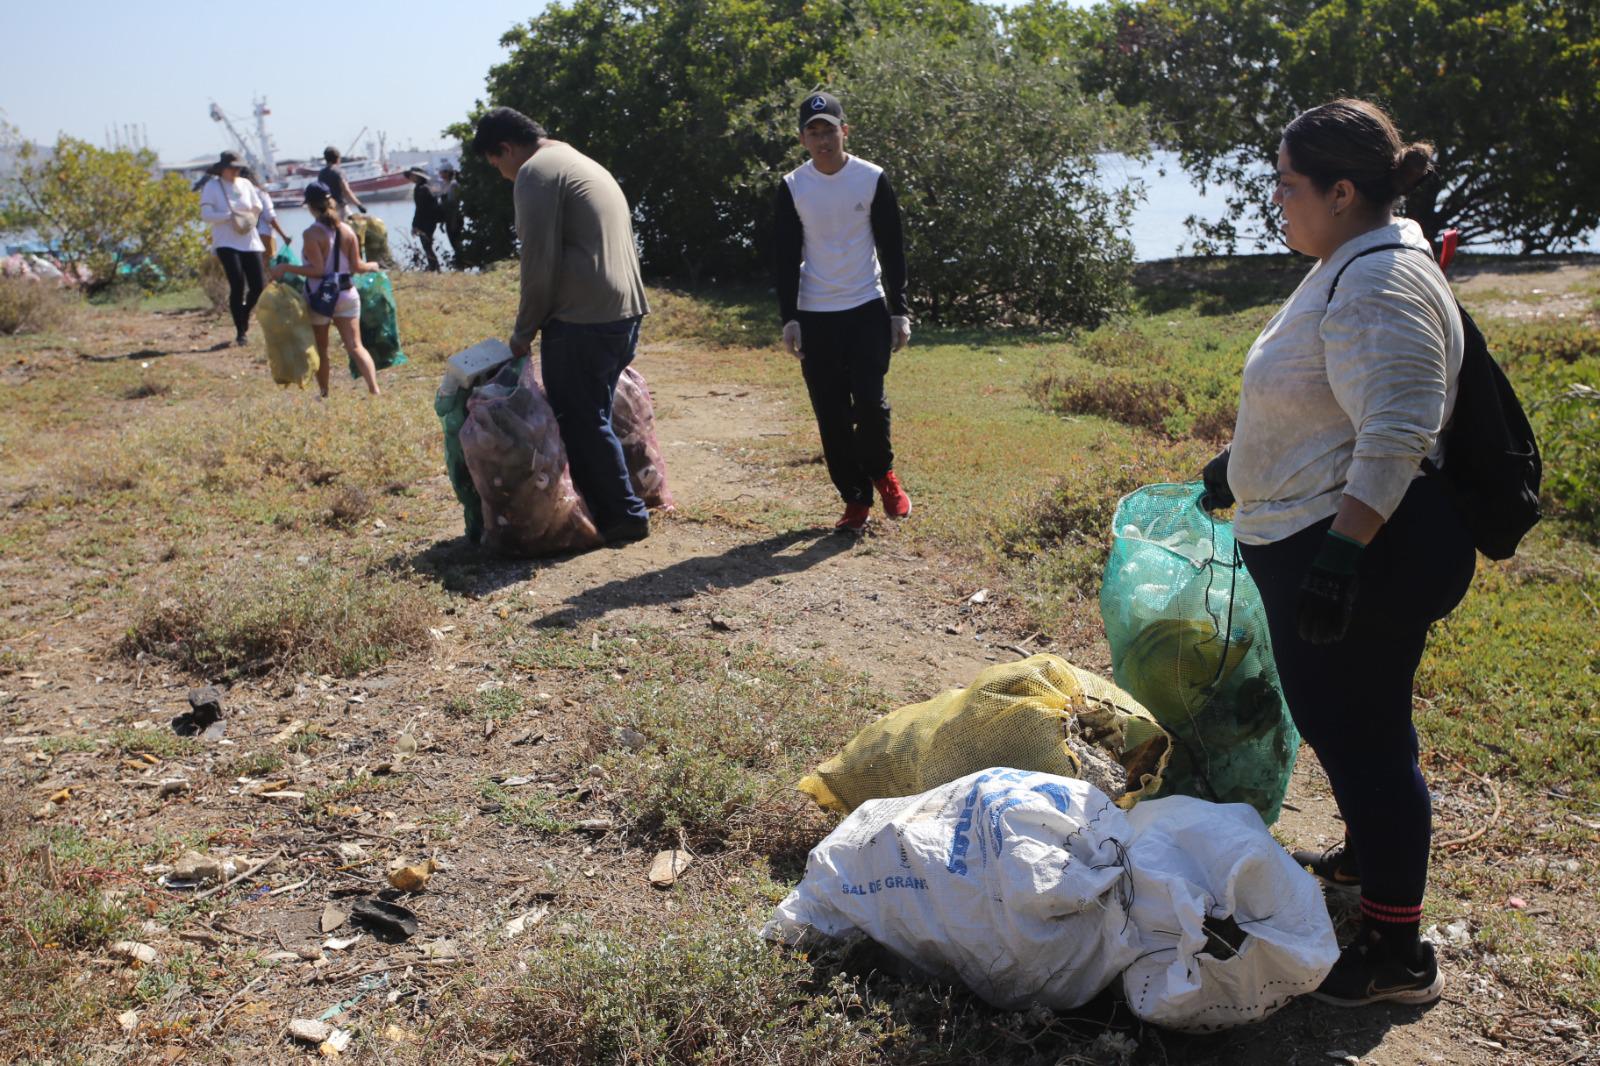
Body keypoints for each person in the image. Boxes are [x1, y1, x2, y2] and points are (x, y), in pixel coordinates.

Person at [1201, 98, 1471, 1008]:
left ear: (1342, 190)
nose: (1277, 200)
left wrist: (1337, 562)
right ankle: (1366, 860)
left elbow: (1395, 431)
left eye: (1287, 184)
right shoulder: (1352, 259)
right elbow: (1326, 392)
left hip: (1350, 550)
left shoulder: (1379, 279)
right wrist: (1237, 463)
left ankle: (1397, 952)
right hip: (1316, 531)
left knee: (1366, 741)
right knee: (1350, 723)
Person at [470, 106, 652, 546]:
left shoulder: (536, 172)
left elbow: (538, 261)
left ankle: (623, 517)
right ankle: (610, 504)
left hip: (582, 318)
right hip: (622, 311)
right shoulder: (576, 159)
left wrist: (523, 330)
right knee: (595, 415)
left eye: (498, 164)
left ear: (508, 148)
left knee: (581, 419)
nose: (502, 175)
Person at [773, 91, 912, 534]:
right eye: (813, 132)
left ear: (844, 131)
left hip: (866, 307)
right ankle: (855, 499)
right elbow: (784, 257)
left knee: (870, 403)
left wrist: (899, 310)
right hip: (816, 315)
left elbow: (892, 248)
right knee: (831, 411)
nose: (822, 139)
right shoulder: (794, 186)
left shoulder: (871, 179)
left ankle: (883, 474)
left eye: (829, 130)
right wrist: (789, 317)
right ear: (803, 139)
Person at [268, 181, 382, 398]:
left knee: (322, 349)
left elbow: (318, 270)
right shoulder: (347, 230)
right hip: (347, 294)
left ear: (310, 207)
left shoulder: (312, 234)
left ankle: (324, 393)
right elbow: (357, 266)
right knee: (356, 346)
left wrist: (285, 267)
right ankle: (374, 390)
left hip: (321, 298)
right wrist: (373, 265)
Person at [198, 150, 267, 346]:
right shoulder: (212, 186)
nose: (236, 171)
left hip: (249, 239)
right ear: (223, 169)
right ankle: (240, 331)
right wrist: (229, 216)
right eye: (232, 167)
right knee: (237, 283)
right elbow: (206, 214)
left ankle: (243, 314)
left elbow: (257, 205)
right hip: (226, 241)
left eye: (238, 167)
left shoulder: (246, 184)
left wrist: (249, 218)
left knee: (258, 286)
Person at [243, 167, 292, 268]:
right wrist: (284, 236)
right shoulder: (260, 194)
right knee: (267, 269)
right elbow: (270, 217)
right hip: (264, 235)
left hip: (245, 238)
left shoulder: (238, 195)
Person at [406, 167, 442, 272]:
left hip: (427, 221)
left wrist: (415, 225)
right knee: (427, 245)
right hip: (428, 221)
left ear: (418, 176)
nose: (411, 178)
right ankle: (434, 267)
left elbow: (420, 209)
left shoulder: (422, 189)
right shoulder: (422, 187)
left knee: (427, 245)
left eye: (412, 175)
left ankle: (435, 268)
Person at [317, 146, 367, 219]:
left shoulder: (321, 174)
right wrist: (359, 205)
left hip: (327, 208)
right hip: (340, 207)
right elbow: (346, 191)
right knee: (353, 225)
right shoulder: (339, 172)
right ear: (337, 159)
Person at [438, 165, 464, 264]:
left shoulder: (454, 185)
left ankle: (462, 262)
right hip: (447, 217)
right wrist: (441, 221)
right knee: (452, 241)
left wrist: (453, 220)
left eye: (443, 172)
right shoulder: (444, 184)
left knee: (456, 240)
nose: (441, 174)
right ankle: (459, 262)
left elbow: (454, 204)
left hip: (455, 216)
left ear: (448, 172)